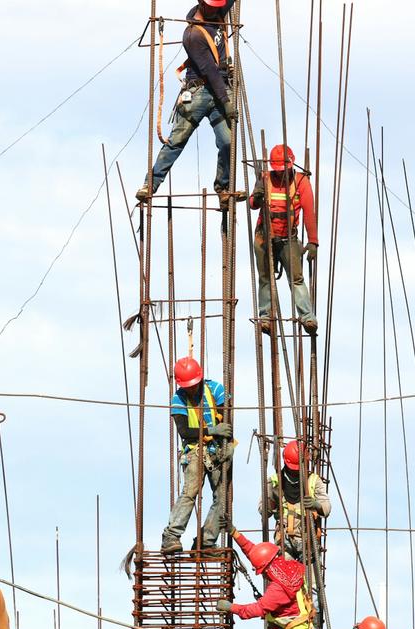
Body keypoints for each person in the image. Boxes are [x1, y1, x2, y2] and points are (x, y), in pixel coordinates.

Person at [136, 0, 239, 204]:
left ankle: (223, 187)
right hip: (200, 91)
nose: (214, 9)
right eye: (210, 6)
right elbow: (210, 71)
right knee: (177, 141)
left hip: (220, 89)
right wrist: (226, 102)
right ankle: (151, 184)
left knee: (228, 142)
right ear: (201, 3)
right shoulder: (192, 35)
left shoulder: (218, 12)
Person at [162, 356, 231, 553]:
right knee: (190, 493)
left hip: (217, 451)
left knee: (222, 497)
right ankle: (171, 536)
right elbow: (184, 432)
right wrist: (211, 431)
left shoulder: (215, 389)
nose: (191, 389)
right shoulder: (178, 399)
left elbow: (227, 420)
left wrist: (227, 441)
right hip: (194, 451)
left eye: (193, 385)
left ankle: (206, 541)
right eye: (187, 386)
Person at [248, 145, 319, 335]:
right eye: (277, 170)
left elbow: (309, 213)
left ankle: (307, 317)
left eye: (283, 170)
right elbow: (253, 205)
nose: (280, 174)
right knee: (265, 278)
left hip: (289, 239)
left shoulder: (301, 182)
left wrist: (313, 241)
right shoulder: (265, 179)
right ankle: (265, 317)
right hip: (264, 237)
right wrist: (257, 194)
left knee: (296, 279)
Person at [259, 439, 330, 561]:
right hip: (284, 540)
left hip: (307, 540)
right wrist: (272, 500)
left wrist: (316, 505)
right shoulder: (275, 481)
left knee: (311, 579)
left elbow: (326, 508)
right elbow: (263, 511)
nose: (295, 471)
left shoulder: (313, 480)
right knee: (287, 576)